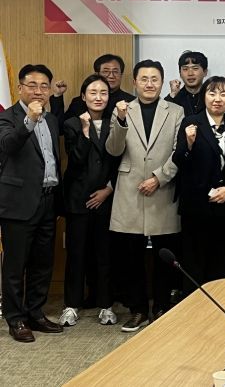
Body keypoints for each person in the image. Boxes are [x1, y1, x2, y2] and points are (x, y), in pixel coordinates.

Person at [106, 59, 184, 332]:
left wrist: (159, 178)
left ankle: (161, 307)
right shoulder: (122, 109)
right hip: (130, 190)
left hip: (163, 189)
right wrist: (120, 121)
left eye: (154, 79)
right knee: (131, 256)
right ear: (135, 82)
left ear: (161, 82)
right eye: (144, 79)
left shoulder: (176, 111)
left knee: (164, 254)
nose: (149, 84)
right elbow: (114, 150)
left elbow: (179, 151)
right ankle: (138, 309)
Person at [0, 64, 64, 342]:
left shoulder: (52, 120)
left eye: (44, 86)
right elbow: (8, 145)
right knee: (15, 265)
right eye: (32, 85)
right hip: (18, 203)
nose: (39, 91)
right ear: (19, 88)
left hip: (48, 200)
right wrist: (29, 121)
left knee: (42, 263)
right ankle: (15, 319)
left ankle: (35, 313)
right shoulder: (7, 117)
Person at [172, 76, 225, 291]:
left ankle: (217, 303)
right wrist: (189, 144)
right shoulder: (191, 122)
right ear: (204, 97)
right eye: (212, 93)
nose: (217, 99)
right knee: (194, 261)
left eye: (223, 94)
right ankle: (193, 305)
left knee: (221, 261)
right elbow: (179, 160)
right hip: (196, 206)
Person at [60, 74, 120, 327]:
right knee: (76, 254)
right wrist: (85, 132)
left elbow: (120, 161)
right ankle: (71, 305)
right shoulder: (72, 123)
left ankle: (106, 305)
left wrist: (108, 190)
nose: (98, 97)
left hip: (106, 198)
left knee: (104, 254)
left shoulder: (115, 123)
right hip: (78, 199)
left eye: (103, 93)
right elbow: (75, 160)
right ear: (83, 96)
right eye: (93, 92)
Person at [57, 54, 135, 122]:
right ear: (96, 74)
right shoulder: (79, 102)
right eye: (106, 71)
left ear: (121, 75)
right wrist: (57, 96)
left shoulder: (131, 102)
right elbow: (60, 128)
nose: (111, 76)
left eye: (115, 72)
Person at [165, 50, 208, 117]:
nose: (190, 73)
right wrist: (173, 95)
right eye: (185, 69)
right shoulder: (175, 97)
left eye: (195, 68)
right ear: (180, 73)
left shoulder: (211, 96)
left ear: (205, 72)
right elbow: (163, 115)